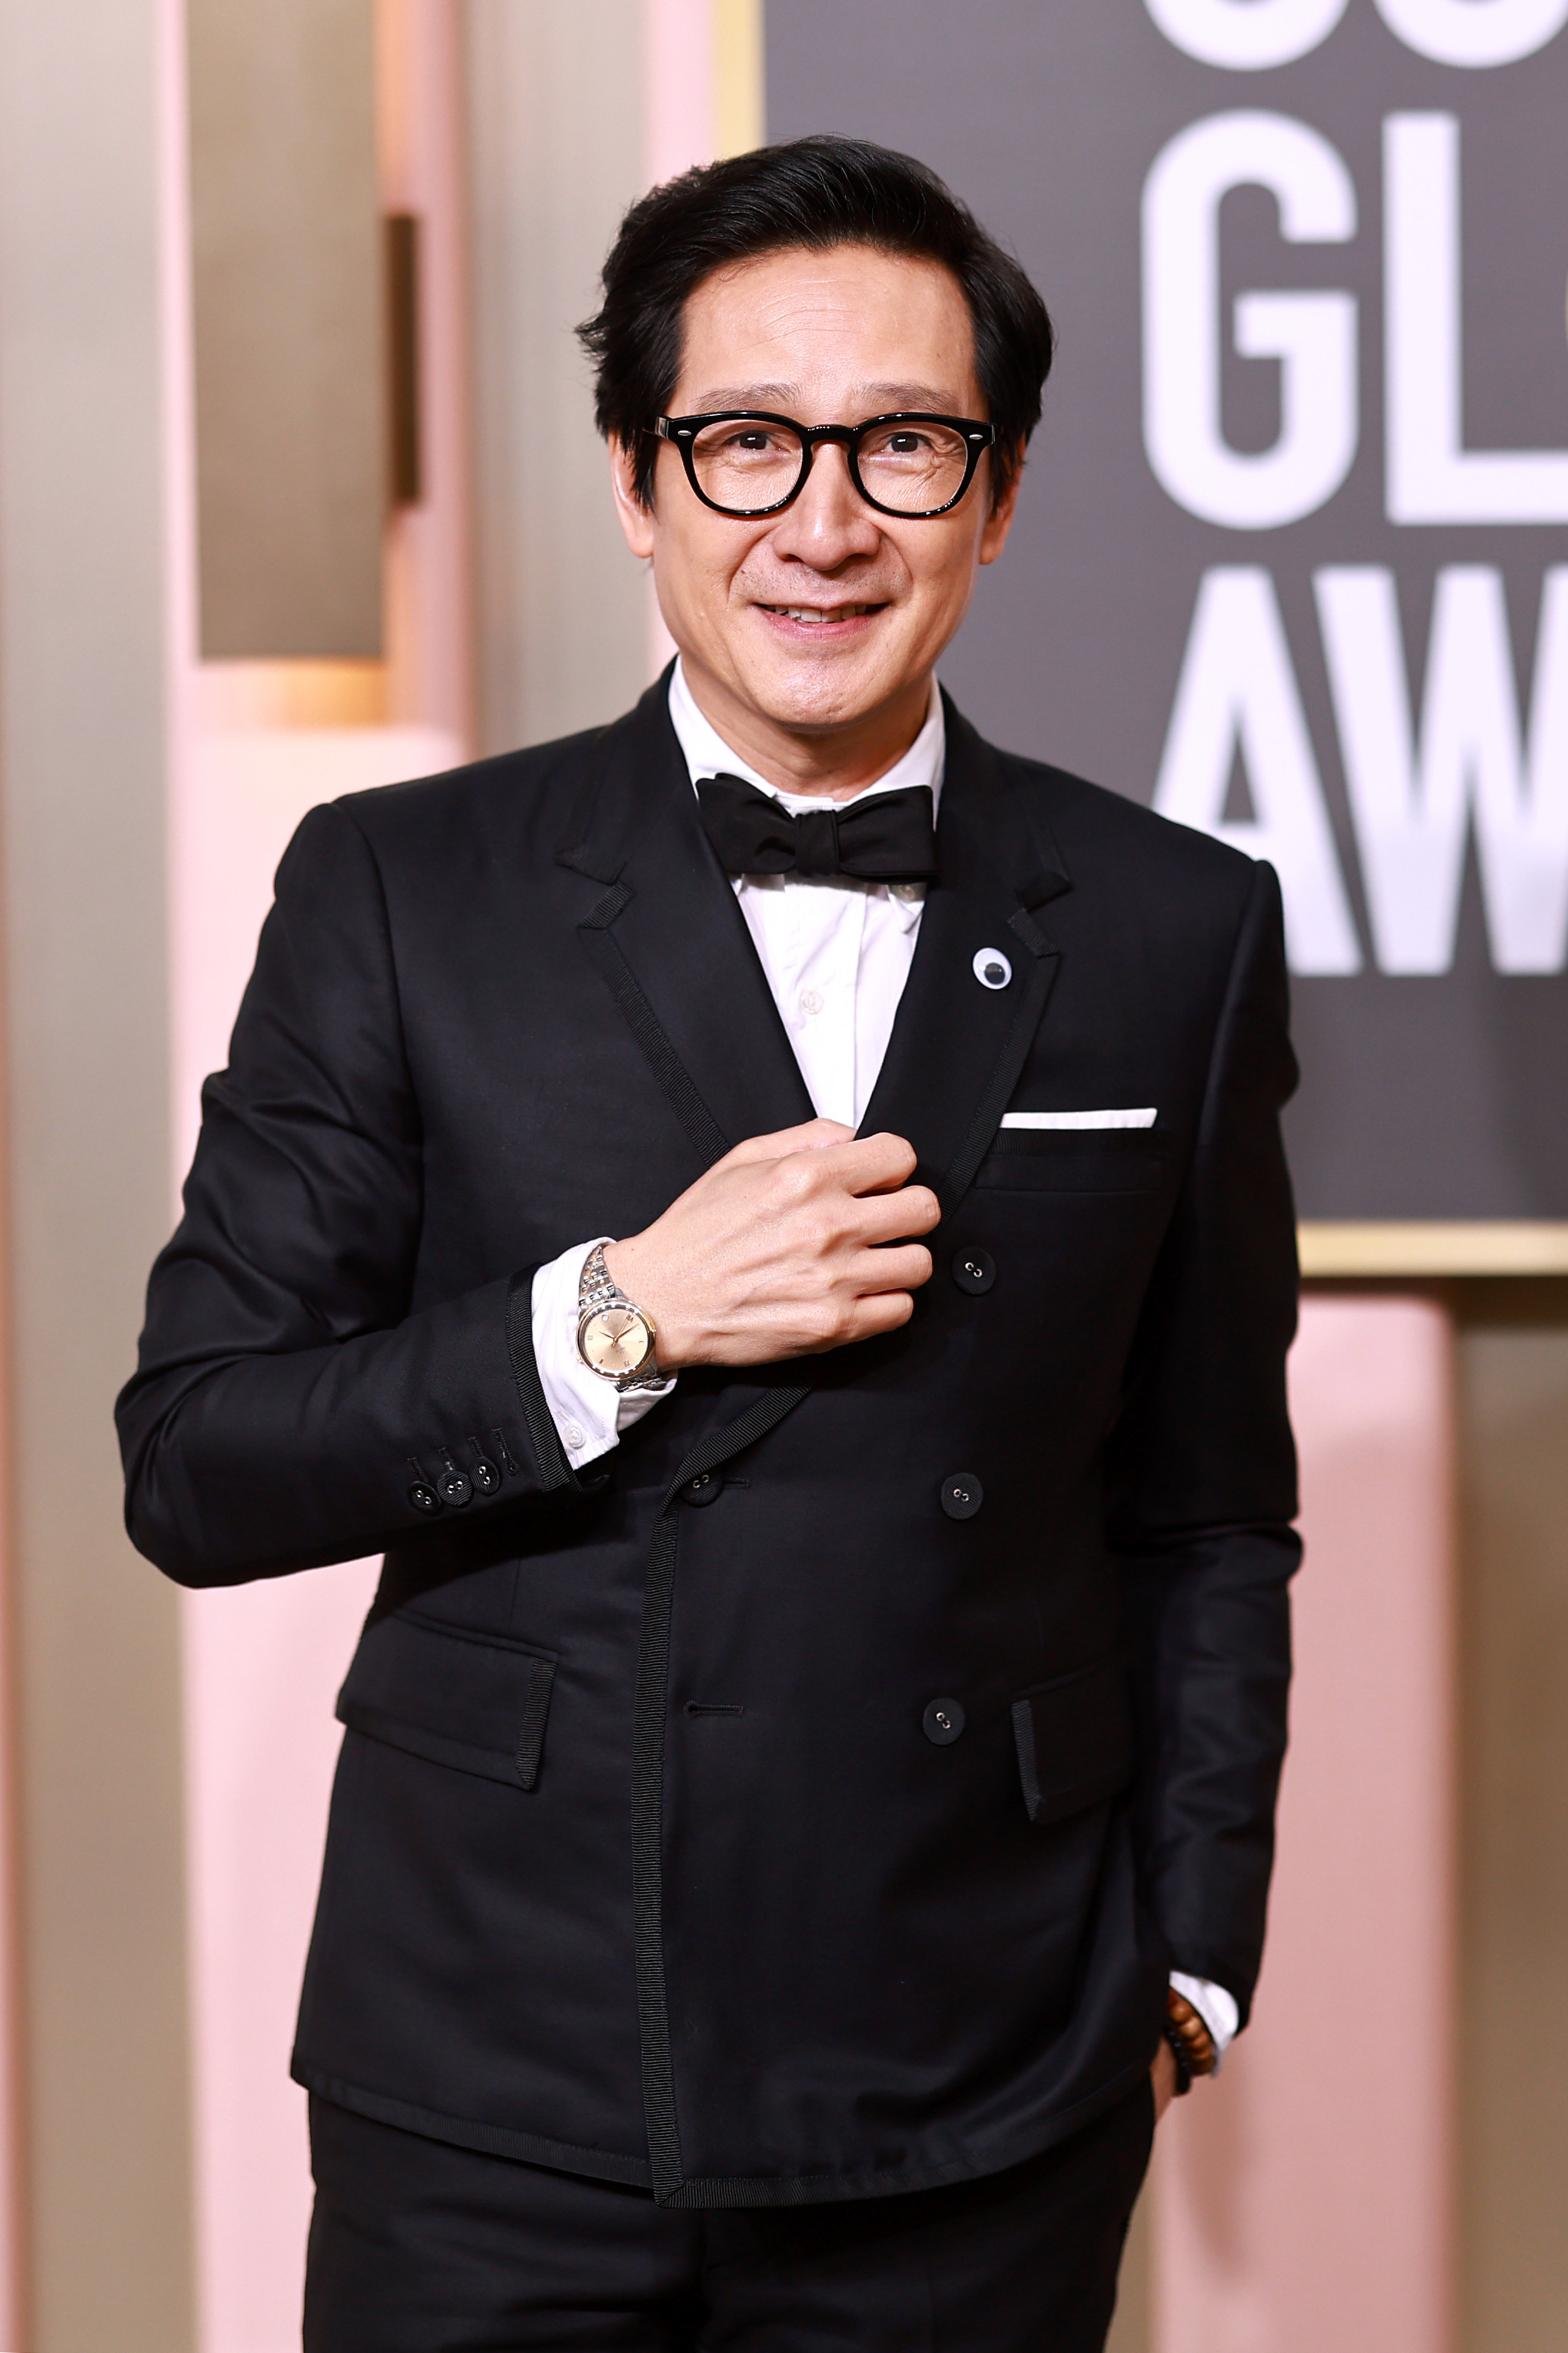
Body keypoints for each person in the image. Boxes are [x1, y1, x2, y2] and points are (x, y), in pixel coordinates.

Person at [118, 135, 1299, 2353]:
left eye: (903, 448)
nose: (822, 520)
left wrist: (1189, 1958)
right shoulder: (399, 886)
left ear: (1001, 491)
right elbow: (193, 1456)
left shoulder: (1173, 925)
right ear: (638, 478)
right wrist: (622, 1314)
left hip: (983, 2076)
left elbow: (1210, 1507)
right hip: (499, 2069)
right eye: (746, 442)